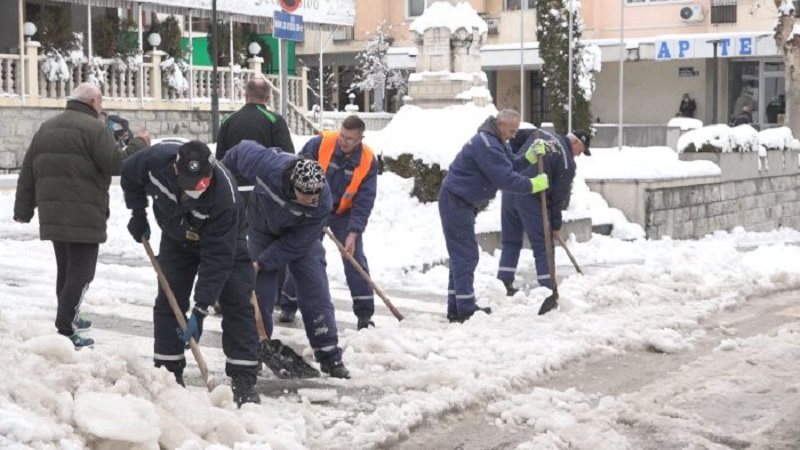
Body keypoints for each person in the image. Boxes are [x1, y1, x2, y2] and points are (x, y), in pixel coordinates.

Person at [120, 141, 261, 406]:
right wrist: (137, 211)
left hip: (226, 240)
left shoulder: (224, 197)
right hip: (176, 238)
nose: (195, 188)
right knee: (169, 300)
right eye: (189, 181)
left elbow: (217, 259)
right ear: (175, 168)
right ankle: (169, 373)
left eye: (201, 182)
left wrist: (200, 310)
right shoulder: (154, 162)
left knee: (237, 302)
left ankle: (243, 379)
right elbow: (129, 174)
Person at [13, 82, 144, 349]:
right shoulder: (95, 129)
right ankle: (66, 327)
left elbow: (28, 170)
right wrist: (140, 144)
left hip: (53, 213)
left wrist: (23, 210)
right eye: (102, 102)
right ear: (94, 102)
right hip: (83, 213)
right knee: (82, 273)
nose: (102, 107)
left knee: (66, 269)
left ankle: (70, 313)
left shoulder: (47, 127)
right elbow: (117, 164)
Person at [222, 141, 350, 379]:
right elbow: (237, 152)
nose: (311, 201)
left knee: (315, 290)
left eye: (315, 196)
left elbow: (297, 243)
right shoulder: (267, 165)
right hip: (262, 229)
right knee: (259, 292)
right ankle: (254, 351)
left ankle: (329, 355)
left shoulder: (321, 201)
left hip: (301, 237)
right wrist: (222, 184)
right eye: (306, 196)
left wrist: (262, 262)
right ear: (293, 185)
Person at [438, 109, 549, 323]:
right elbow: (505, 178)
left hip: (463, 202)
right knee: (466, 255)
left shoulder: (495, 141)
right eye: (511, 130)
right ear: (500, 124)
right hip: (456, 201)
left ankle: (457, 307)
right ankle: (465, 309)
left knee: (461, 256)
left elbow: (510, 165)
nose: (514, 135)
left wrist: (529, 157)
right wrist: (533, 185)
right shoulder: (487, 144)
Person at [280, 115, 379, 330]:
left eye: (350, 139)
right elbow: (294, 172)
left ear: (360, 138)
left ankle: (364, 314)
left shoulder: (368, 161)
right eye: (342, 135)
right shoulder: (319, 144)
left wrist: (353, 232)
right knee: (301, 252)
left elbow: (365, 199)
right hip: (314, 209)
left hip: (344, 213)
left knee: (354, 257)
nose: (343, 141)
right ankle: (288, 304)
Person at [497, 128, 591, 297]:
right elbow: (557, 199)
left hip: (510, 189)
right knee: (543, 244)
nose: (578, 155)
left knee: (511, 241)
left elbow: (515, 137)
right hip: (531, 195)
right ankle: (548, 289)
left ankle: (503, 282)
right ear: (576, 142)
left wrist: (514, 161)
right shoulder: (566, 161)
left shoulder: (540, 133)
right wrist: (555, 226)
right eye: (581, 151)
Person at [216, 78, 295, 201]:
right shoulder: (274, 120)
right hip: (266, 192)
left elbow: (219, 159)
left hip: (234, 191)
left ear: (245, 96)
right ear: (267, 98)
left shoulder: (228, 120)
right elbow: (288, 158)